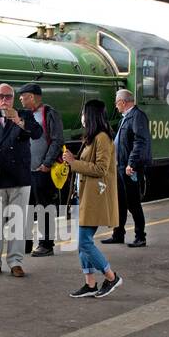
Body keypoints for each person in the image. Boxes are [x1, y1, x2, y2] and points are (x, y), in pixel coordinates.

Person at [61, 99, 122, 298]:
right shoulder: (92, 138)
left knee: (85, 243)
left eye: (83, 113)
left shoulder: (102, 138)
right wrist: (74, 160)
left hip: (95, 197)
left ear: (91, 115)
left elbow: (101, 169)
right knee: (82, 242)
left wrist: (74, 163)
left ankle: (111, 277)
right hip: (85, 196)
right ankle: (90, 284)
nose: (81, 117)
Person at [0, 83, 40, 278]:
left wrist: (19, 120)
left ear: (13, 98)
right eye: (1, 96)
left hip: (20, 177)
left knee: (18, 222)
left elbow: (37, 133)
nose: (4, 100)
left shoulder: (24, 115)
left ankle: (15, 261)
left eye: (8, 96)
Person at [18, 83, 63, 257]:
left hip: (42, 170)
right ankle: (26, 243)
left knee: (44, 207)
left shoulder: (49, 113)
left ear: (32, 96)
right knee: (26, 208)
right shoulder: (23, 115)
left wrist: (47, 163)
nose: (20, 99)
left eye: (23, 95)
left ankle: (46, 244)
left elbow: (57, 140)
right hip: (26, 171)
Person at [103, 88, 151, 247]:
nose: (116, 106)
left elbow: (140, 142)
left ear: (123, 102)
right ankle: (118, 233)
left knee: (133, 202)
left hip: (130, 167)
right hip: (121, 166)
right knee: (120, 202)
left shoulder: (137, 116)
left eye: (117, 103)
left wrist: (132, 163)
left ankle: (140, 236)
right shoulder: (127, 117)